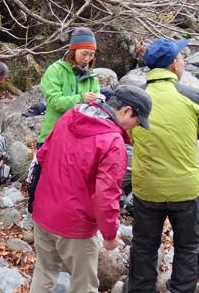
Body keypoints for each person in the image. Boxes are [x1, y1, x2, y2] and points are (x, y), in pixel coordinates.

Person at [126, 38, 199, 293]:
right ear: (173, 65)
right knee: (188, 246)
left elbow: (124, 133)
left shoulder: (135, 97)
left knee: (144, 246)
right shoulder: (191, 96)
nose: (182, 62)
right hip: (185, 188)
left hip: (147, 188)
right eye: (181, 58)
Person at [31, 85, 153, 293]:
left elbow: (42, 156)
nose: (135, 127)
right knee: (84, 285)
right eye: (137, 121)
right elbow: (105, 195)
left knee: (44, 271)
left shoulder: (71, 115)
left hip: (43, 212)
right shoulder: (112, 142)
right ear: (126, 111)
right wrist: (109, 234)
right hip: (75, 225)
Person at [37, 27, 103, 146]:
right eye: (84, 54)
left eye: (91, 55)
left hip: (79, 139)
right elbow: (54, 101)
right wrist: (82, 99)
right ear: (73, 50)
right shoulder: (55, 70)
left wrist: (99, 101)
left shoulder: (92, 76)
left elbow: (94, 111)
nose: (87, 59)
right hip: (53, 136)